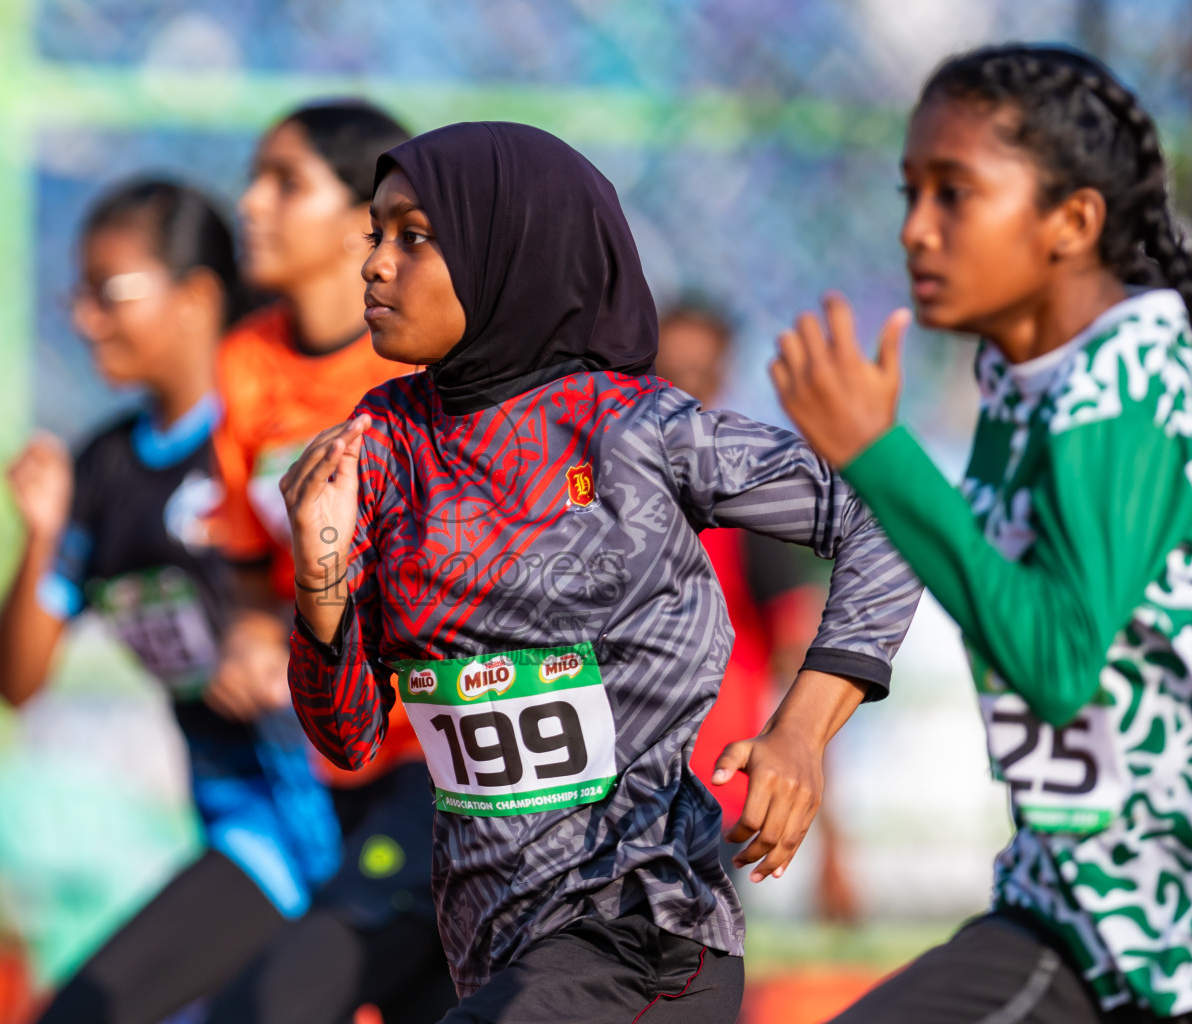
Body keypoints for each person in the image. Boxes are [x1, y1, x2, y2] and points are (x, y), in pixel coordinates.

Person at [280, 121, 923, 1023]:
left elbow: (891, 521)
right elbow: (344, 735)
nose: (376, 265)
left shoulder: (637, 429)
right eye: (375, 236)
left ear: (512, 251)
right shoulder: (380, 439)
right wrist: (320, 585)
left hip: (643, 927)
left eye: (414, 236)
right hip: (486, 943)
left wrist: (805, 730)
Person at [772, 45, 1192, 1023]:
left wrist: (880, 456)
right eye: (912, 191)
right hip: (1069, 895)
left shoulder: (1132, 378)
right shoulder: (1021, 378)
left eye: (955, 195)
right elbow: (953, 565)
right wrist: (806, 723)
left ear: (1072, 221)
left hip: (1174, 938)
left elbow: (1061, 658)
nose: (915, 231)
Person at [0, 179, 340, 1024]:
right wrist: (37, 537)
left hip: (322, 828)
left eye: (110, 293)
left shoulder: (267, 439)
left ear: (196, 297)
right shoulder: (106, 473)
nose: (84, 318)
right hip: (237, 835)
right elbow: (15, 680)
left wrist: (271, 644)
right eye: (78, 294)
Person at [199, 101, 458, 1024]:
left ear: (366, 219)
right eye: (254, 176)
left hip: (443, 760)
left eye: (286, 181)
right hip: (334, 760)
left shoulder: (423, 365)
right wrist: (255, 633)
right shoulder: (243, 364)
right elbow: (247, 563)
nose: (253, 203)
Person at [655, 301, 854, 921]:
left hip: (707, 796)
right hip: (597, 794)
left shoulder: (748, 514)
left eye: (699, 375)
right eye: (665, 373)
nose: (681, 392)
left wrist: (834, 840)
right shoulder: (598, 496)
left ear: (721, 383)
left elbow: (809, 668)